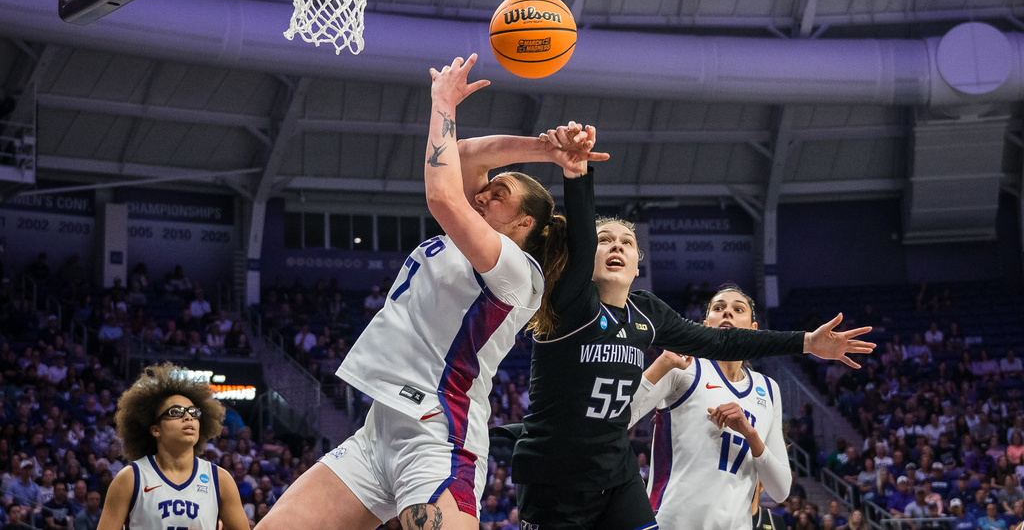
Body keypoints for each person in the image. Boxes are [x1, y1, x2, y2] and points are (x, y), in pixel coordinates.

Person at [254, 54, 605, 530]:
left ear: (525, 223)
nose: (482, 193)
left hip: (439, 434)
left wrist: (443, 103)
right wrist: (546, 151)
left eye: (497, 194)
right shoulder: (471, 240)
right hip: (379, 430)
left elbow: (442, 194)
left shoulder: (517, 270)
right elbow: (462, 157)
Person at [506, 123, 874, 530]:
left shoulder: (647, 312)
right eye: (604, 240)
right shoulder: (572, 302)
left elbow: (720, 340)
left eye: (626, 242)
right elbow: (579, 238)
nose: (616, 247)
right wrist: (577, 175)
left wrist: (805, 342)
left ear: (637, 263)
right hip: (555, 473)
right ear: (587, 257)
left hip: (615, 472)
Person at [627, 285, 791, 530]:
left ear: (754, 330)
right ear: (704, 325)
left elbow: (780, 490)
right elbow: (619, 419)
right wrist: (660, 365)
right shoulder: (685, 367)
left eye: (738, 309)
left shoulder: (768, 388)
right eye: (718, 308)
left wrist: (751, 435)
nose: (727, 313)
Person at [93, 362, 249, 530]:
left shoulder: (220, 479)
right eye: (176, 412)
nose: (188, 417)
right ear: (155, 429)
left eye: (193, 412)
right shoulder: (130, 478)